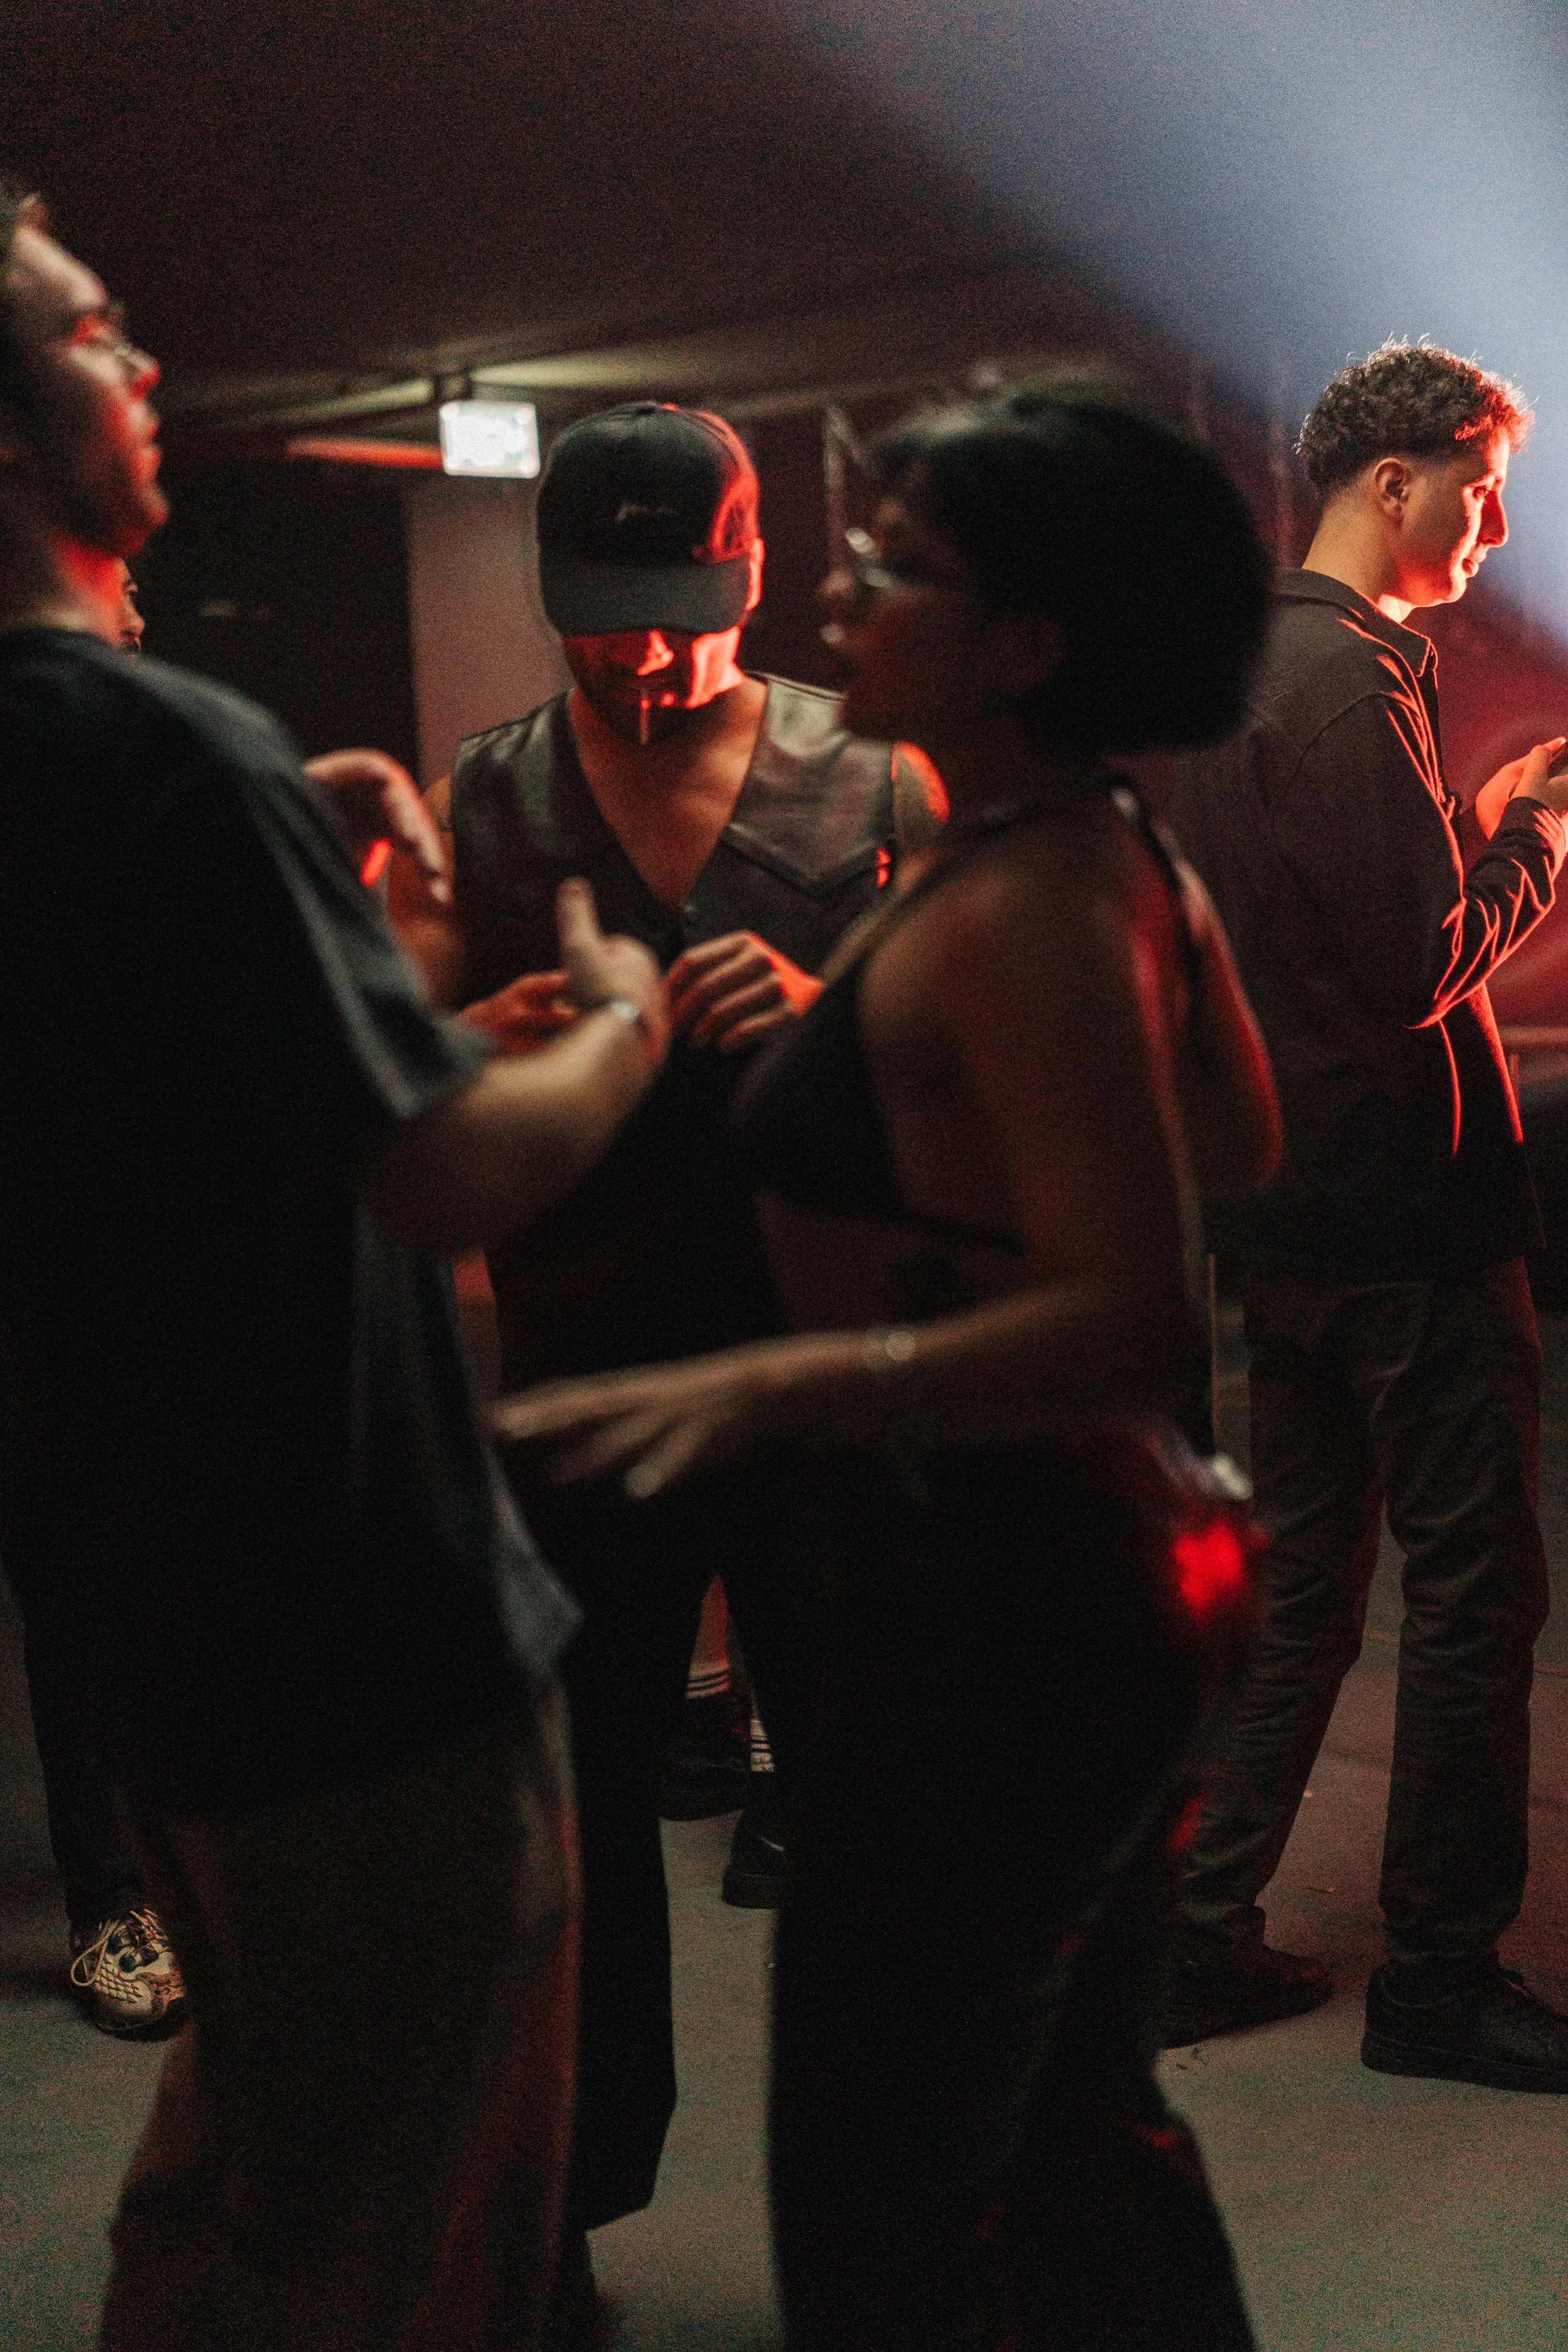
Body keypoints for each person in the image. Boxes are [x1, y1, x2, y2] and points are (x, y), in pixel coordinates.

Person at [494, 376, 1279, 2351]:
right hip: (1078, 1572)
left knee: (893, 2179)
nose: (842, 586)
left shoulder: (1015, 889)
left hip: (995, 1586)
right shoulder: (1088, 844)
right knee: (1066, 2117)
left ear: (1027, 643)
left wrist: (782, 1379)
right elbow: (1240, 1133)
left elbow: (1129, 1311)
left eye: (898, 562)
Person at [0, 189, 672, 2352]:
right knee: (391, 2235)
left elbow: (183, 1136)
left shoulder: (102, 768)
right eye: (96, 337)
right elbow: (445, 1173)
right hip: (362, 1631)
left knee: (247, 2184)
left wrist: (332, 902)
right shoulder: (163, 749)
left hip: (177, 1613)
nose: (149, 366)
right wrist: (622, 1017)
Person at [388, 398, 940, 2316]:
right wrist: (500, 1036)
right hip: (581, 1379)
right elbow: (416, 1115)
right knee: (570, 1842)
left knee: (872, 1832)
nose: (641, 652)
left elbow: (973, 1088)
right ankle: (561, 2219)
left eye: (681, 608)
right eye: (603, 613)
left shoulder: (869, 777)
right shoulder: (489, 793)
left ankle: (880, 2229)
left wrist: (826, 1011)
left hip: (816, 1374)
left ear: (753, 566)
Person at [1163, 340, 1568, 2089]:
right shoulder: (1335, 685)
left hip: (1284, 1210)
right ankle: (1436, 1976)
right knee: (1474, 1590)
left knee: (1306, 1584)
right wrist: (1533, 839)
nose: (1492, 521)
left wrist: (1465, 821)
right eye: (1474, 484)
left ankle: (1192, 1925)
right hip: (1403, 1219)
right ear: (1387, 480)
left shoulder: (1238, 664)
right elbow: (1414, 959)